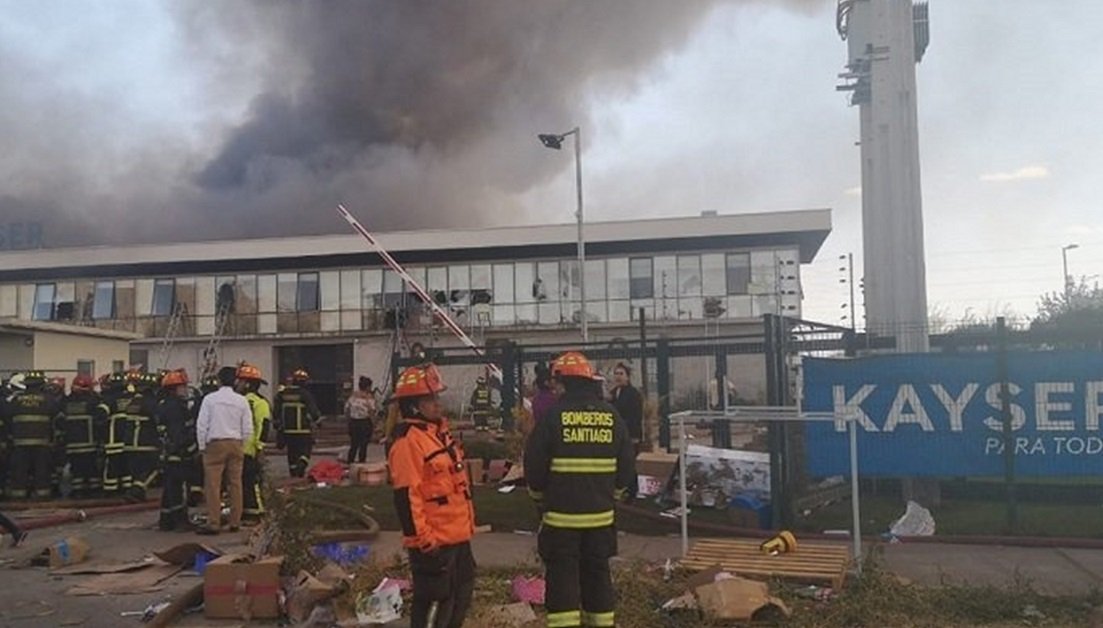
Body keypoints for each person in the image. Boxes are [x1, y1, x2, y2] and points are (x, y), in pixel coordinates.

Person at [525, 351, 636, 628]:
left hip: (561, 519)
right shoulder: (611, 416)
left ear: (563, 384)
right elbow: (626, 468)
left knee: (562, 577)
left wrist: (539, 500)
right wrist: (614, 497)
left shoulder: (553, 417)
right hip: (600, 518)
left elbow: (534, 467)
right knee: (597, 575)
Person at [388, 364, 476, 628]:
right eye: (430, 398)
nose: (437, 403)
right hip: (435, 540)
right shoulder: (408, 444)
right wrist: (424, 540)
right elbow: (406, 496)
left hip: (457, 536)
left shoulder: (438, 435)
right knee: (435, 600)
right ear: (414, 406)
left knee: (459, 597)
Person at [195, 366, 253, 535]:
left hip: (215, 443)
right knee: (235, 483)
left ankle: (214, 522)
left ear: (219, 381)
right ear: (235, 381)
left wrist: (201, 446)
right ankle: (235, 522)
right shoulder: (241, 401)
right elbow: (248, 427)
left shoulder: (210, 399)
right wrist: (243, 443)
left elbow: (202, 425)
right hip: (236, 443)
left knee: (213, 485)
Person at [3, 371, 62, 500]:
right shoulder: (49, 399)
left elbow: (6, 418)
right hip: (42, 443)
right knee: (42, 471)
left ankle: (18, 496)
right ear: (41, 385)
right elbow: (57, 418)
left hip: (19, 443)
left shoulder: (14, 399)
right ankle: (43, 495)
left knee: (19, 471)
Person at [156, 369, 198, 531]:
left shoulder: (166, 405)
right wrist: (190, 451)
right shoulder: (176, 408)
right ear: (173, 389)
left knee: (169, 488)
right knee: (178, 489)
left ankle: (166, 520)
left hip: (169, 454)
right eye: (182, 387)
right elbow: (178, 434)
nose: (185, 390)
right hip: (177, 455)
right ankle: (180, 521)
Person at [60, 375, 109, 497]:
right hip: (90, 443)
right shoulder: (94, 400)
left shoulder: (66, 401)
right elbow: (102, 416)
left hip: (72, 444)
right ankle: (95, 490)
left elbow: (59, 421)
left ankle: (78, 491)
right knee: (91, 469)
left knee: (76, 469)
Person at [235, 363, 271, 524]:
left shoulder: (252, 402)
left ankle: (255, 512)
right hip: (247, 449)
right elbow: (264, 426)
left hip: (246, 449)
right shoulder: (259, 402)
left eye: (241, 381)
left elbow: (263, 426)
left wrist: (259, 447)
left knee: (250, 481)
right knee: (245, 481)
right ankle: (246, 511)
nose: (238, 384)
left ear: (248, 384)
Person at [273, 368, 320, 478]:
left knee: (291, 453)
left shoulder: (282, 394)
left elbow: (276, 411)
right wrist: (318, 421)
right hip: (303, 430)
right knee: (306, 450)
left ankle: (294, 473)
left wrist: (277, 424)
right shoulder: (305, 394)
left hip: (287, 430)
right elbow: (313, 411)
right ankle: (301, 466)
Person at [124, 373, 163, 502]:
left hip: (129, 444)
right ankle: (137, 491)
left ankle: (137, 492)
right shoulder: (152, 403)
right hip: (146, 443)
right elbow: (159, 422)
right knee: (156, 467)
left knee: (137, 470)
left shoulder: (132, 402)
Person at [100, 372, 133, 496]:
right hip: (130, 439)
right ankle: (127, 488)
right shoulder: (132, 398)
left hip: (114, 440)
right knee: (127, 466)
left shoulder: (109, 398)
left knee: (113, 466)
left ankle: (110, 490)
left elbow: (101, 413)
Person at [609, 363, 644, 450]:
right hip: (616, 436)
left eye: (621, 374)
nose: (618, 376)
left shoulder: (633, 394)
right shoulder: (612, 393)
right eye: (616, 374)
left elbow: (636, 416)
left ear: (627, 377)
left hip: (630, 436)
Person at [345, 376, 376, 464]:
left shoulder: (353, 397)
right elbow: (371, 412)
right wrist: (374, 425)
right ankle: (361, 464)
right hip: (364, 423)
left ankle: (350, 463)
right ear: (367, 387)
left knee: (353, 445)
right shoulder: (369, 398)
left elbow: (346, 409)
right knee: (363, 445)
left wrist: (349, 421)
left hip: (353, 423)